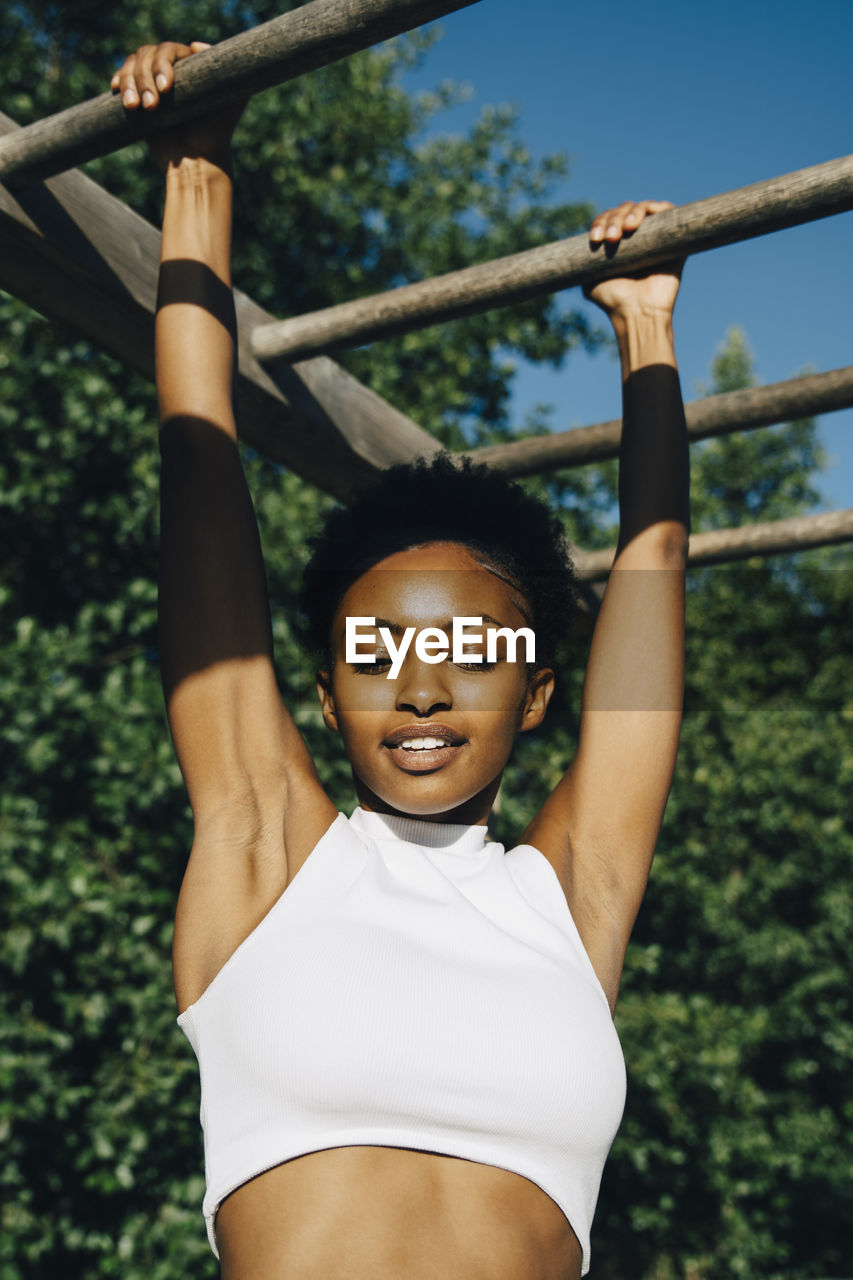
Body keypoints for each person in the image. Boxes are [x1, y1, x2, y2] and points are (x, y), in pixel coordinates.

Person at [113, 38, 688, 1280]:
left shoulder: (565, 900)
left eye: (468, 651)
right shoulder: (268, 848)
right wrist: (198, 173)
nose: (422, 684)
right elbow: (201, 479)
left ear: (537, 691)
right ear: (324, 689)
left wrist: (648, 337)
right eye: (378, 651)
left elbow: (648, 617)